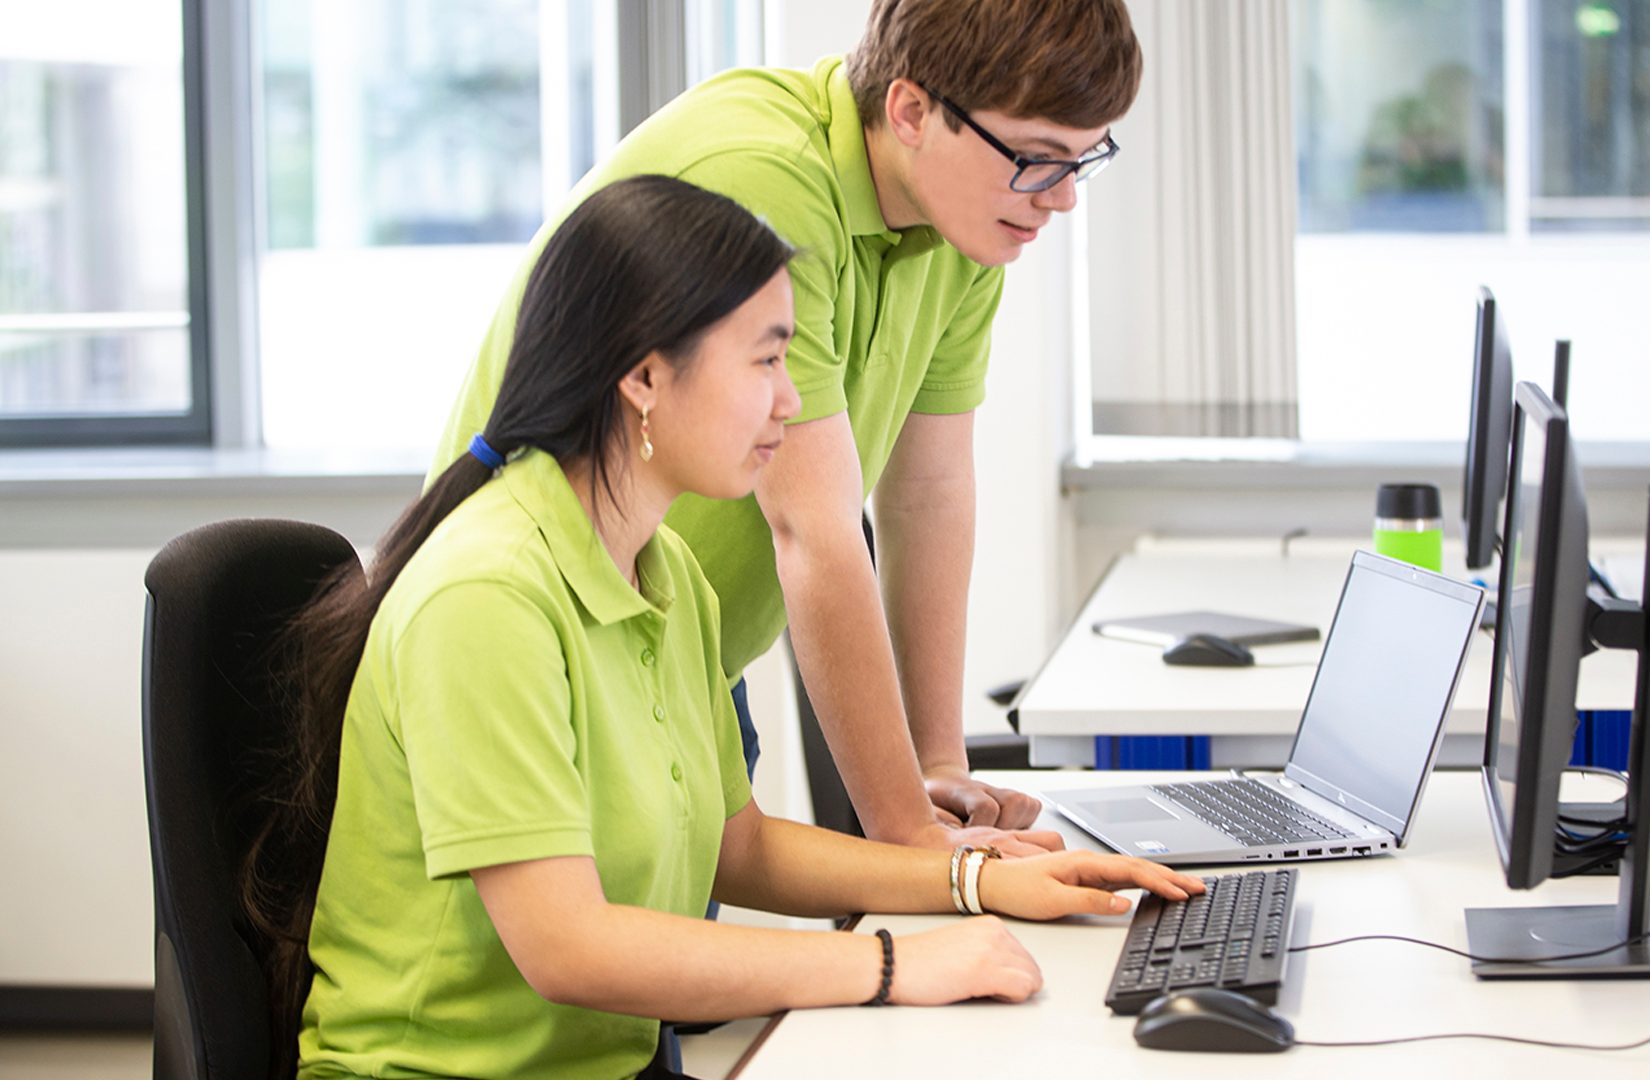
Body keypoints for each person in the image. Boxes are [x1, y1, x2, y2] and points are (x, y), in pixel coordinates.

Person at [265, 176, 1200, 1080]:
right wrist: (890, 966)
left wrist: (976, 880)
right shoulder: (485, 598)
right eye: (764, 359)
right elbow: (569, 947)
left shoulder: (666, 572)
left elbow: (737, 845)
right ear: (642, 375)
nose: (791, 401)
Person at [427, 0, 1143, 857]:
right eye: (1036, 159)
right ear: (912, 111)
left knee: (675, 981)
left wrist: (936, 762)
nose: (1060, 198)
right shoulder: (769, 182)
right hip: (545, 651)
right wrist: (912, 839)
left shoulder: (966, 223)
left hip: (679, 649)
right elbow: (813, 524)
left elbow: (928, 493)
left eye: (1081, 161)